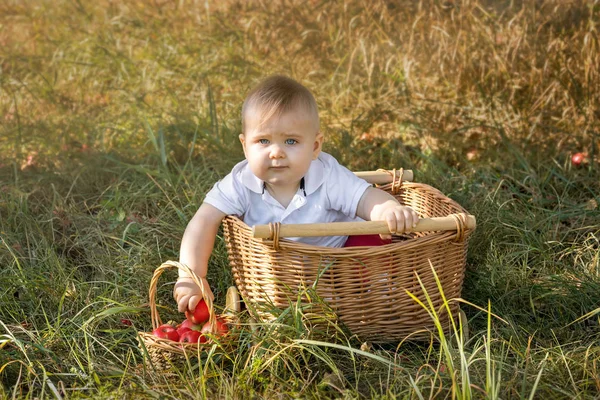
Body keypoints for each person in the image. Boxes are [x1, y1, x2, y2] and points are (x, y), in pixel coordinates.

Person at [174, 75, 419, 313]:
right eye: (263, 141)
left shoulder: (327, 174)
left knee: (371, 245)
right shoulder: (240, 182)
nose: (276, 152)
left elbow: (365, 197)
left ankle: (370, 298)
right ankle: (301, 301)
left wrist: (387, 209)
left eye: (291, 141)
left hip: (337, 258)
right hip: (278, 268)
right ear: (245, 146)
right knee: (280, 284)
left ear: (314, 147)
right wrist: (191, 275)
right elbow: (203, 221)